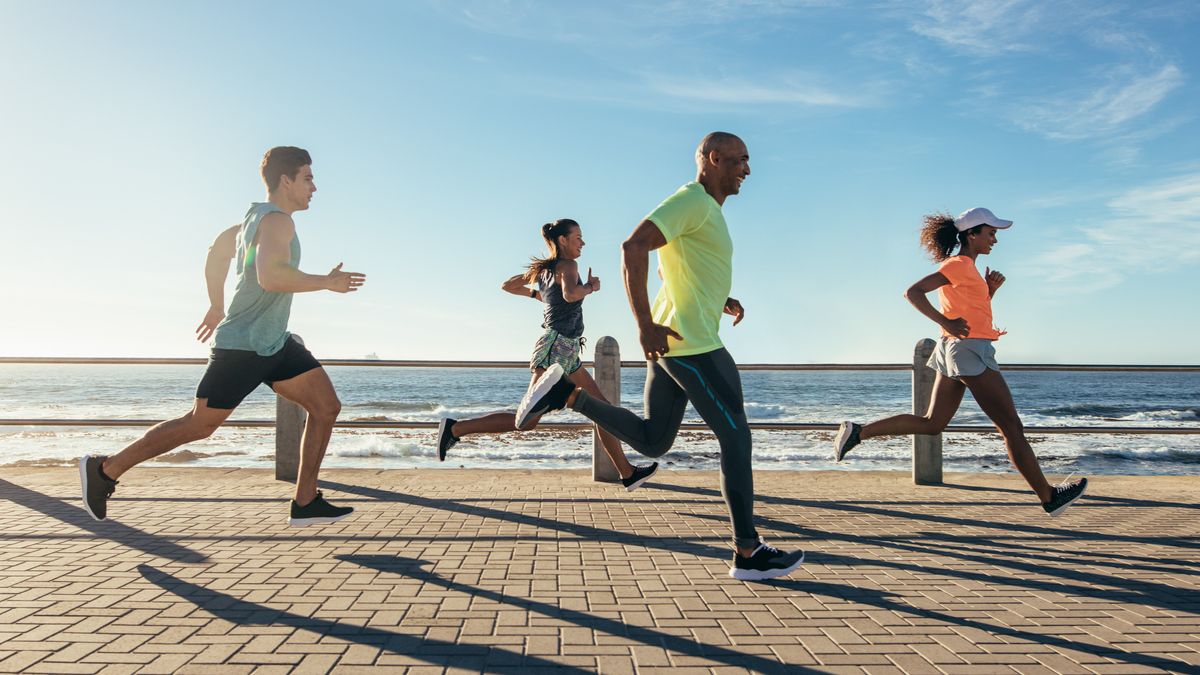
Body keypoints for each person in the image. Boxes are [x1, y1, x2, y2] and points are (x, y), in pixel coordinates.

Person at [514, 133, 805, 581]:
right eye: (741, 160)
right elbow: (632, 247)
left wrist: (720, 298)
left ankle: (566, 398)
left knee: (654, 441)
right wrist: (644, 324)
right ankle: (747, 552)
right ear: (714, 159)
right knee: (737, 437)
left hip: (678, 340)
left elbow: (688, 269)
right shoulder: (691, 200)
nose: (748, 169)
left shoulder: (706, 210)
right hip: (691, 344)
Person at [80, 146, 367, 526]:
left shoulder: (252, 219)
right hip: (244, 346)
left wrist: (216, 304)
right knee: (200, 425)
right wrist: (327, 283)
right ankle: (104, 471)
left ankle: (305, 499)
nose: (314, 187)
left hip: (274, 343)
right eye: (308, 178)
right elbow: (271, 277)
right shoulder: (279, 222)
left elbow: (217, 251)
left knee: (326, 406)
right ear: (286, 180)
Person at [832, 208, 1087, 517]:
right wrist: (945, 322)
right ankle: (1048, 497)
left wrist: (988, 292)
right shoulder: (959, 264)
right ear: (972, 234)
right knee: (1011, 427)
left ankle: (858, 432)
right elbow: (913, 292)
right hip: (969, 351)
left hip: (960, 348)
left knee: (932, 423)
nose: (994, 239)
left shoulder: (968, 269)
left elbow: (971, 313)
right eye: (990, 233)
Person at [435, 219, 659, 491]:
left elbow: (508, 285)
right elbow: (570, 294)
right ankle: (455, 429)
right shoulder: (568, 266)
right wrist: (590, 288)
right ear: (563, 240)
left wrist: (540, 294)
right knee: (525, 422)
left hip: (568, 352)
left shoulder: (546, 270)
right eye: (578, 237)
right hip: (555, 349)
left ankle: (627, 473)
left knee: (603, 412)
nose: (583, 243)